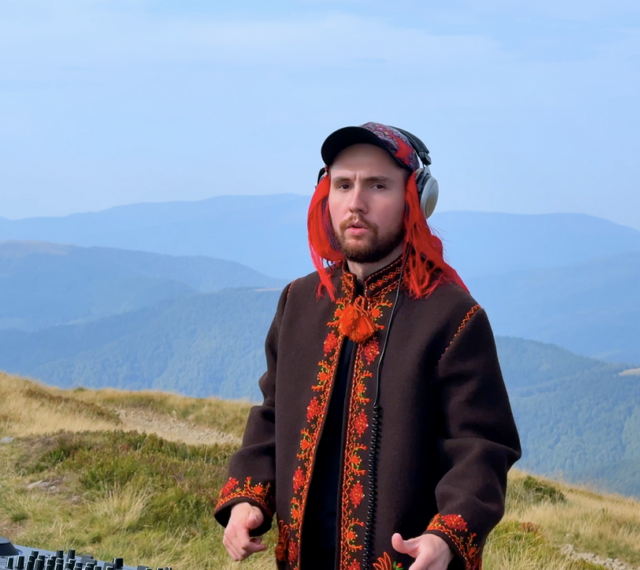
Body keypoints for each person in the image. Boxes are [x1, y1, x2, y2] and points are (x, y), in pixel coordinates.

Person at [215, 123, 521, 570]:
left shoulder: (453, 317)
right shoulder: (299, 302)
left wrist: (445, 537)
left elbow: (481, 447)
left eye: (377, 185)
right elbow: (273, 415)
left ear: (415, 198)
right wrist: (248, 499)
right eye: (343, 185)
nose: (356, 203)